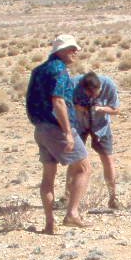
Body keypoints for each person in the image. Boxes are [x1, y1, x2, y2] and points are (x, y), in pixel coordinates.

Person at [26, 34, 91, 234]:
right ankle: (72, 213)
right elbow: (58, 101)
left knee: (48, 176)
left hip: (41, 127)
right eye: (71, 48)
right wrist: (68, 132)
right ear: (60, 51)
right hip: (57, 128)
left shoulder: (39, 70)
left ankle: (49, 223)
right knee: (83, 168)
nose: (75, 52)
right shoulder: (59, 70)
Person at [71, 71, 121, 209]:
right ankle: (67, 197)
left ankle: (113, 197)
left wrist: (101, 109)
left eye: (95, 94)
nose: (92, 97)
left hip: (101, 127)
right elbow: (62, 103)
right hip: (79, 125)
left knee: (108, 159)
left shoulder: (108, 85)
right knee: (75, 161)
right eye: (89, 94)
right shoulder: (73, 84)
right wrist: (77, 107)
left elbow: (116, 109)